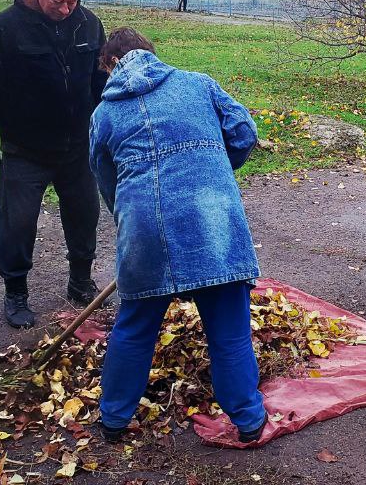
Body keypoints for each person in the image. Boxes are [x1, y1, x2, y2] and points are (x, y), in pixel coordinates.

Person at [88, 27, 268, 444]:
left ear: (110, 65)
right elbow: (244, 133)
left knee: (134, 328)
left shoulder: (103, 115)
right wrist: (217, 166)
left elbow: (106, 180)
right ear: (151, 55)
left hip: (144, 230)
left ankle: (114, 420)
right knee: (230, 330)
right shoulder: (197, 84)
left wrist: (130, 217)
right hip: (213, 222)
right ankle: (249, 420)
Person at [0, 0, 108, 328]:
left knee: (84, 217)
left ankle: (80, 281)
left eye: (72, 2)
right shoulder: (6, 27)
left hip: (77, 145)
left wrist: (107, 131)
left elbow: (101, 82)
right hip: (25, 147)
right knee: (17, 223)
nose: (65, 10)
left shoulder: (89, 24)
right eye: (58, 2)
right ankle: (16, 292)